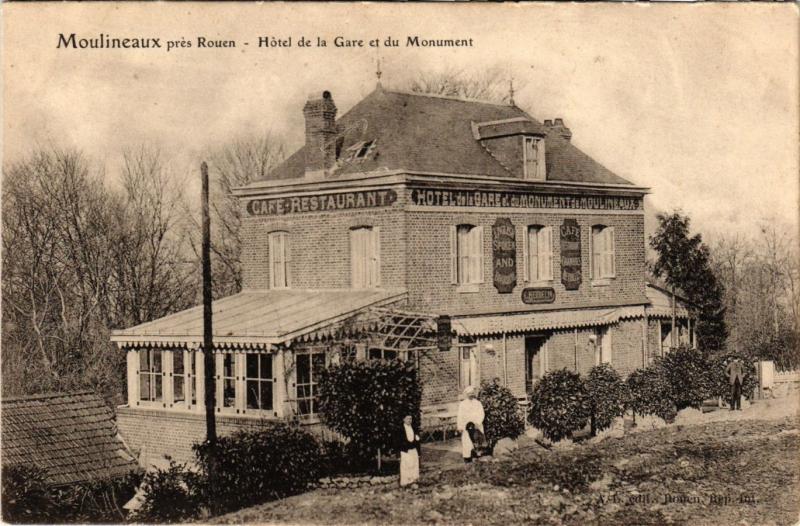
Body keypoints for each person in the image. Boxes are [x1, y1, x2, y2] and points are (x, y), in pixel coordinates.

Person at [456, 386, 485, 463]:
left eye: (472, 393)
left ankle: (477, 455)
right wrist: (460, 426)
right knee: (467, 442)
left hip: (476, 425)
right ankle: (467, 458)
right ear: (466, 394)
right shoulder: (462, 404)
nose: (471, 395)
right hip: (466, 426)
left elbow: (481, 414)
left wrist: (478, 422)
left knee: (477, 440)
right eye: (469, 394)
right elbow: (460, 416)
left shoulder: (478, 403)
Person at [398, 415, 420, 487]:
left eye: (410, 419)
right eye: (407, 419)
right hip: (405, 450)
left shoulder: (414, 428)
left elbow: (417, 441)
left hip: (413, 449)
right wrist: (398, 454)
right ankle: (405, 482)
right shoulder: (400, 429)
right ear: (404, 419)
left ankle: (413, 480)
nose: (409, 420)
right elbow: (397, 442)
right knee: (406, 465)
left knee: (414, 464)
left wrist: (419, 452)